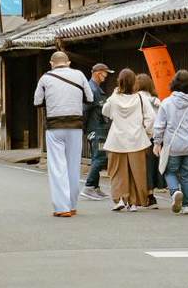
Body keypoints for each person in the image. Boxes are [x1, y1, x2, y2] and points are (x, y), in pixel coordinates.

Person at [34, 51, 91, 217]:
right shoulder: (79, 75)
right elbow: (90, 97)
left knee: (57, 166)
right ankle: (72, 205)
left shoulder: (45, 78)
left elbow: (37, 101)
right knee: (73, 165)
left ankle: (62, 207)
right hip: (75, 125)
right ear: (69, 63)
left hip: (55, 126)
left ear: (52, 63)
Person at [153, 70, 188, 215]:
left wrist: (157, 142)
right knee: (187, 174)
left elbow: (160, 125)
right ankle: (187, 206)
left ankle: (175, 192)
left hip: (173, 145)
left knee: (169, 171)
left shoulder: (166, 102)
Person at [102, 68, 156, 211]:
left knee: (117, 171)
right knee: (136, 172)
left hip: (116, 140)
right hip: (137, 140)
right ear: (134, 82)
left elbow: (105, 111)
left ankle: (120, 199)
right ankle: (133, 202)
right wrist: (147, 134)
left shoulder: (114, 98)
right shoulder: (140, 98)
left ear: (119, 82)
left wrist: (114, 94)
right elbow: (151, 118)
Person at [79, 63, 113, 201]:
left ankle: (95, 187)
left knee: (96, 157)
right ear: (99, 73)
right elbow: (84, 110)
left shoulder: (94, 88)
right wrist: (87, 129)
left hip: (98, 128)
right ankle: (88, 186)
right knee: (100, 157)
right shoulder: (91, 89)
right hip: (96, 129)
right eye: (106, 73)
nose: (107, 76)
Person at [136, 73, 165, 204]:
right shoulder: (156, 100)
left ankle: (144, 196)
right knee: (152, 166)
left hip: (142, 136)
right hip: (156, 137)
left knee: (142, 167)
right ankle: (151, 195)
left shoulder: (136, 98)